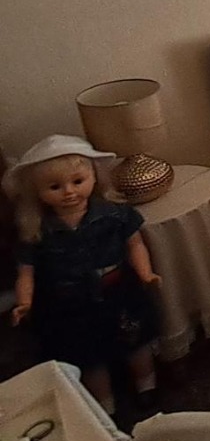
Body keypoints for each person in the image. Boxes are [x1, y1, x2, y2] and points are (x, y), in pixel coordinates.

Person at [3, 136, 162, 414]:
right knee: (88, 357)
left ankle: (146, 384)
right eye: (55, 187)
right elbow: (26, 271)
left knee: (136, 341)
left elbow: (135, 244)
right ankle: (103, 404)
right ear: (37, 191)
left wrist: (145, 273)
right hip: (69, 303)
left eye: (78, 181)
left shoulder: (114, 214)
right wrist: (25, 301)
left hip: (118, 291)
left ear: (94, 177)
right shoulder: (38, 230)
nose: (69, 192)